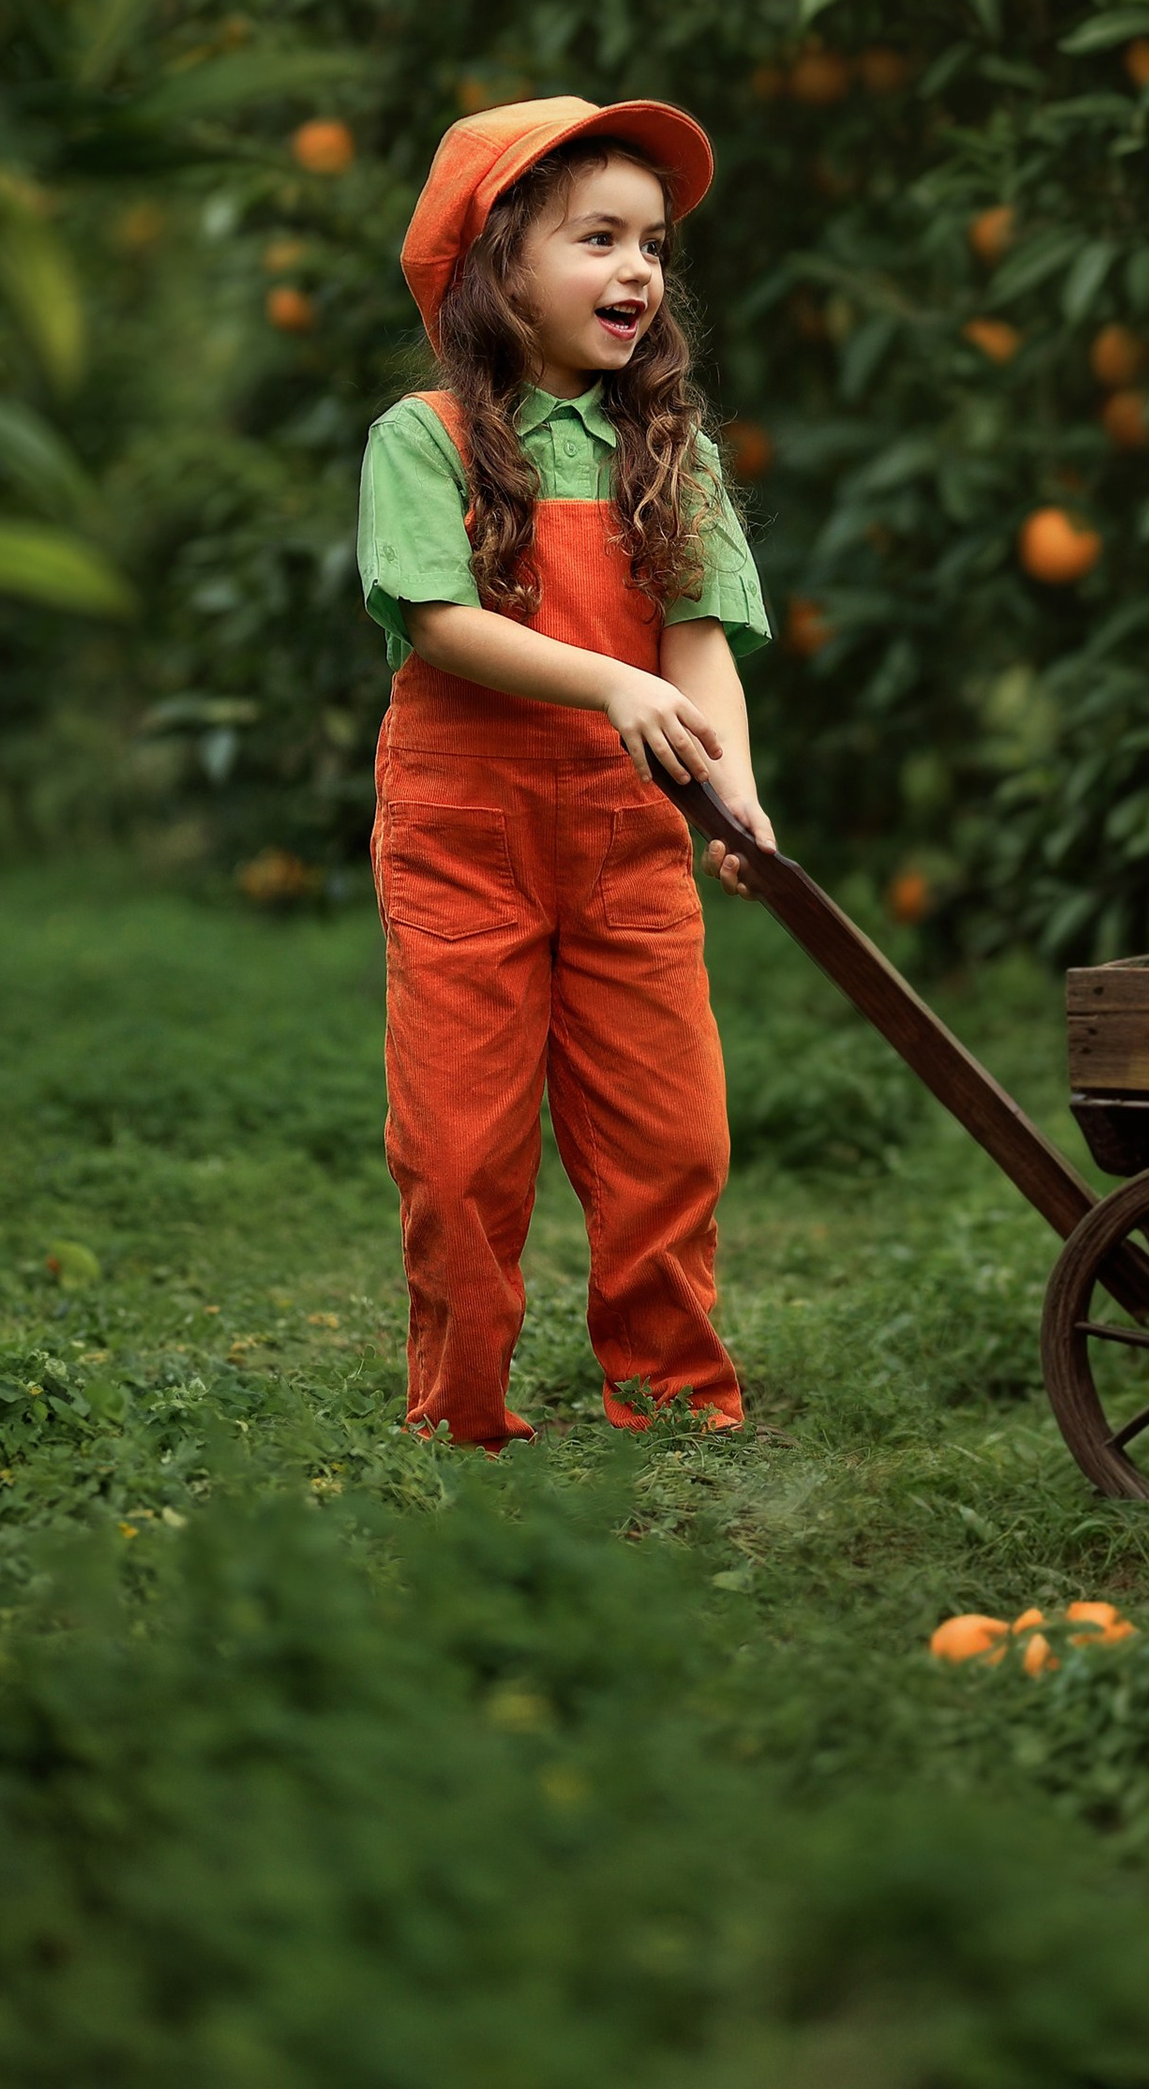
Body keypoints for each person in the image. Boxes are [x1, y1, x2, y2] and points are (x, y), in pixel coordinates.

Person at [356, 94, 774, 1447]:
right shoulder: (425, 440)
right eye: (599, 238)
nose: (639, 272)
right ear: (499, 268)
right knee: (462, 1154)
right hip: (465, 837)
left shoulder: (673, 449)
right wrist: (613, 680)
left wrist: (733, 788)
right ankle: (461, 1416)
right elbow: (438, 622)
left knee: (673, 1139)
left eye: (651, 245)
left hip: (626, 841)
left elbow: (699, 643)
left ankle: (672, 1404)